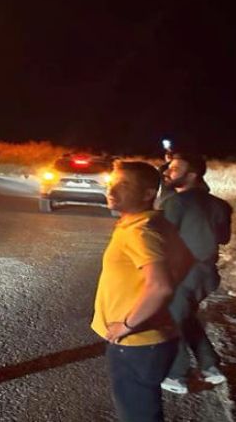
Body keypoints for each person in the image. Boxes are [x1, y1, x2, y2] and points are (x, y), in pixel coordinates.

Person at [93, 161, 192, 422]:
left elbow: (161, 286)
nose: (111, 190)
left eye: (123, 184)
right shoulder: (151, 223)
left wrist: (126, 325)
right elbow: (186, 260)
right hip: (151, 339)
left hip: (137, 342)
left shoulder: (141, 231)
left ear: (148, 193)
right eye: (110, 182)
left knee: (137, 415)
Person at [158, 153, 233, 394]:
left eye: (175, 168)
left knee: (171, 320)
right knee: (186, 317)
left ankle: (176, 375)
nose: (169, 172)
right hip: (207, 275)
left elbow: (162, 239)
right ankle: (210, 367)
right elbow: (223, 238)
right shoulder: (220, 206)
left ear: (192, 175)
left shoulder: (176, 203)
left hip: (182, 273)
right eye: (169, 167)